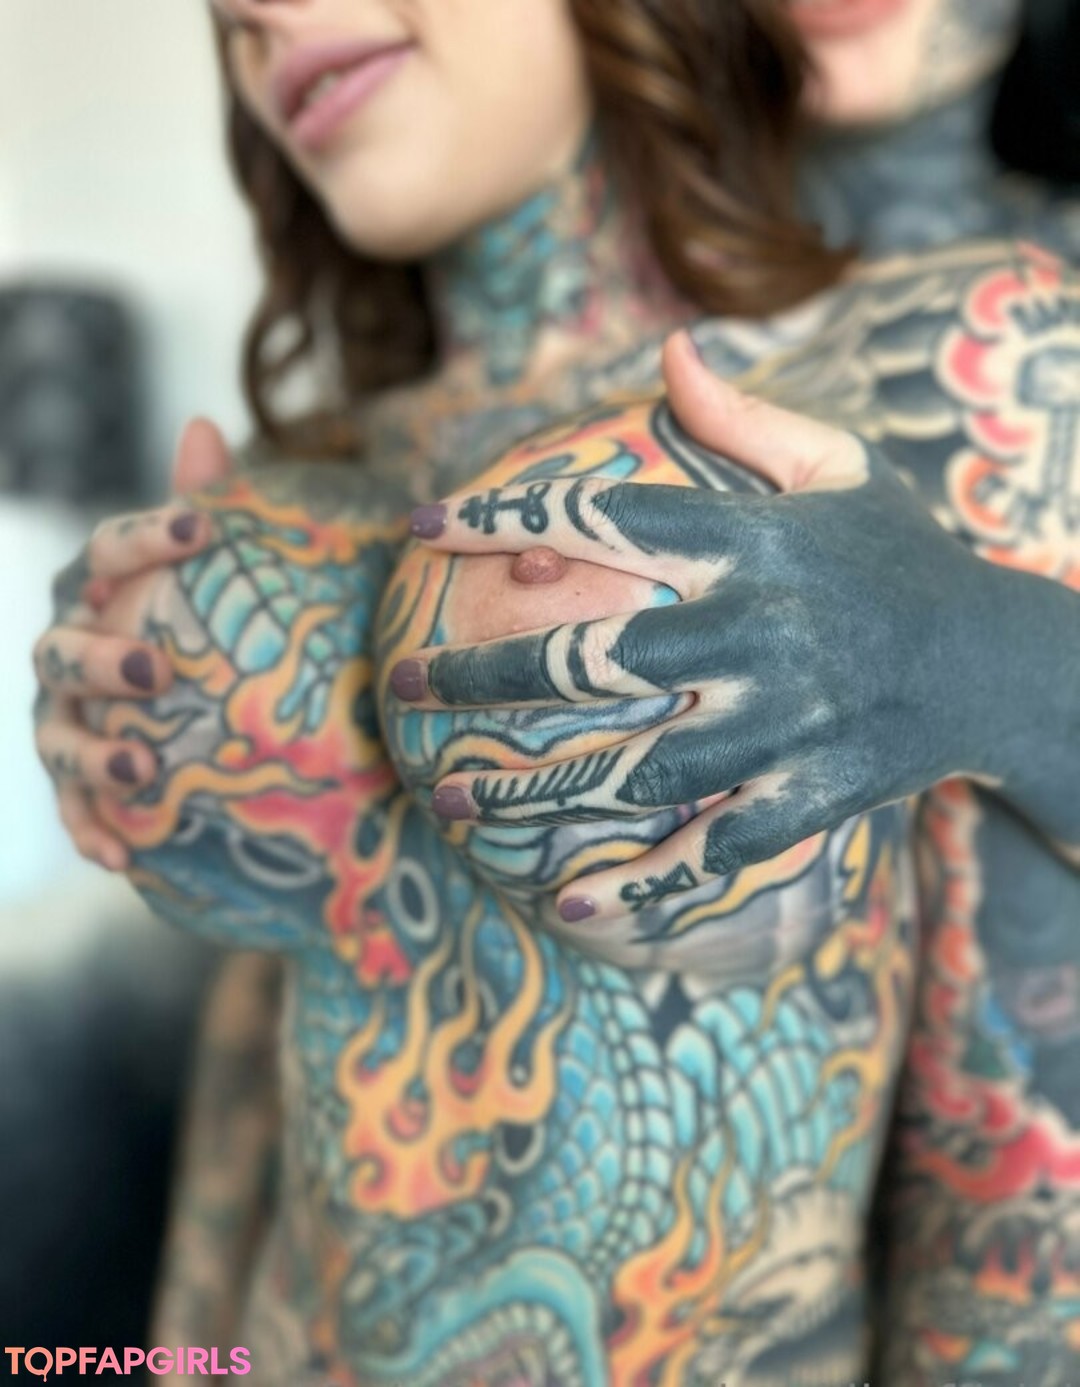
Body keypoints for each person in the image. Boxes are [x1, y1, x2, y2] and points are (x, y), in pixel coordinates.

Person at [28, 0, 1079, 1381]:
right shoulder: (311, 470)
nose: (260, 14)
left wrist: (974, 649)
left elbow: (1020, 1185)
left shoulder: (940, 374)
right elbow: (256, 1097)